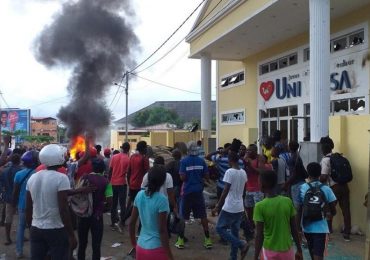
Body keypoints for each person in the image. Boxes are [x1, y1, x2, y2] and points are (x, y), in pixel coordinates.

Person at [25, 144, 76, 260]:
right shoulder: (61, 178)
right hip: (55, 228)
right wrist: (71, 234)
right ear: (58, 158)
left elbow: (28, 207)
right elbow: (63, 209)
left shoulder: (33, 177)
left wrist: (31, 228)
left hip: (36, 228)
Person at [253, 170, 302, 260]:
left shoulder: (259, 206)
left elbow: (259, 235)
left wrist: (255, 257)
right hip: (287, 251)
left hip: (269, 251)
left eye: (259, 182)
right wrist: (299, 249)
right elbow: (294, 229)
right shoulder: (287, 201)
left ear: (262, 185)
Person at [129, 165, 174, 260]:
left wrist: (134, 244)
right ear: (162, 181)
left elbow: (132, 223)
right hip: (156, 248)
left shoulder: (139, 195)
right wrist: (170, 256)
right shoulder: (162, 200)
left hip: (141, 247)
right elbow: (162, 230)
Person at [175, 141, 212, 249]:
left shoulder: (184, 161)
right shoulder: (201, 161)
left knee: (183, 216)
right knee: (203, 216)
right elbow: (206, 176)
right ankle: (207, 239)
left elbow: (182, 178)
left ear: (188, 150)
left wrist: (189, 177)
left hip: (186, 192)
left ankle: (180, 240)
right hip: (198, 192)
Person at [213, 151, 249, 260]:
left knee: (219, 228)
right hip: (239, 206)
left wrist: (218, 206)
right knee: (234, 232)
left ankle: (241, 244)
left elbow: (225, 190)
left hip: (230, 206)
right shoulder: (243, 172)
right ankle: (233, 257)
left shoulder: (229, 172)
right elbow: (244, 190)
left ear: (230, 160)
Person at [298, 162, 337, 260]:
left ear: (308, 173)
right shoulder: (326, 189)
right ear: (320, 173)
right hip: (321, 229)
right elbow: (334, 210)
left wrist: (298, 228)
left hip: (307, 228)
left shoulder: (302, 188)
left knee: (312, 254)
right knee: (319, 256)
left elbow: (299, 210)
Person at [77, 158, 113, 260]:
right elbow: (109, 201)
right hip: (97, 217)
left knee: (82, 243)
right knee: (96, 245)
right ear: (102, 168)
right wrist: (102, 209)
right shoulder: (106, 182)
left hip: (83, 215)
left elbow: (77, 193)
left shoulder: (84, 177)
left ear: (92, 167)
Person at [319, 136, 351, 241]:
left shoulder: (325, 160)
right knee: (346, 210)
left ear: (323, 149)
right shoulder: (341, 157)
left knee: (328, 210)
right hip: (345, 186)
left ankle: (328, 233)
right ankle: (347, 234)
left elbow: (323, 176)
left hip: (333, 188)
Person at [13, 150, 39, 259]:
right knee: (33, 229)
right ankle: (34, 253)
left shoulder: (18, 174)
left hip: (22, 205)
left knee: (21, 227)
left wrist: (15, 205)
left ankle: (19, 251)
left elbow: (15, 192)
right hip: (34, 206)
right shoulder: (37, 174)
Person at [244, 144, 271, 230]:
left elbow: (262, 171)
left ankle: (261, 227)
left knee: (259, 209)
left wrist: (250, 166)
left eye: (250, 151)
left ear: (255, 151)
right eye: (247, 150)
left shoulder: (260, 158)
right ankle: (251, 226)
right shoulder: (246, 158)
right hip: (248, 188)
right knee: (248, 208)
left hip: (257, 189)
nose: (248, 152)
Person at [0, 153, 22, 245]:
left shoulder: (4, 171)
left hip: (8, 197)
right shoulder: (21, 171)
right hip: (20, 198)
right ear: (19, 161)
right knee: (21, 219)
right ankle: (21, 236)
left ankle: (8, 238)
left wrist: (3, 193)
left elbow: (1, 185)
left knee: (8, 218)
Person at [108, 142, 130, 230]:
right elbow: (128, 173)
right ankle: (122, 222)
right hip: (122, 183)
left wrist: (109, 181)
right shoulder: (128, 159)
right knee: (122, 204)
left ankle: (113, 222)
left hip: (113, 183)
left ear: (121, 148)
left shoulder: (114, 157)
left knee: (113, 204)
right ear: (128, 149)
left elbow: (110, 170)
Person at [126, 141, 149, 219]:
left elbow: (128, 171)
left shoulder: (132, 157)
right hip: (140, 186)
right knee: (137, 205)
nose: (147, 149)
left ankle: (123, 218)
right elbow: (147, 174)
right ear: (143, 148)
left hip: (132, 184)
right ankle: (123, 220)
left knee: (132, 202)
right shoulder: (144, 158)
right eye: (146, 147)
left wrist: (129, 183)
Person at [284, 140, 307, 209]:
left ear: (289, 147)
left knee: (297, 207)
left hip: (296, 184)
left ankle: (297, 220)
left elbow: (293, 175)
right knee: (302, 205)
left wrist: (286, 184)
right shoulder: (298, 157)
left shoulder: (292, 159)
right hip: (302, 182)